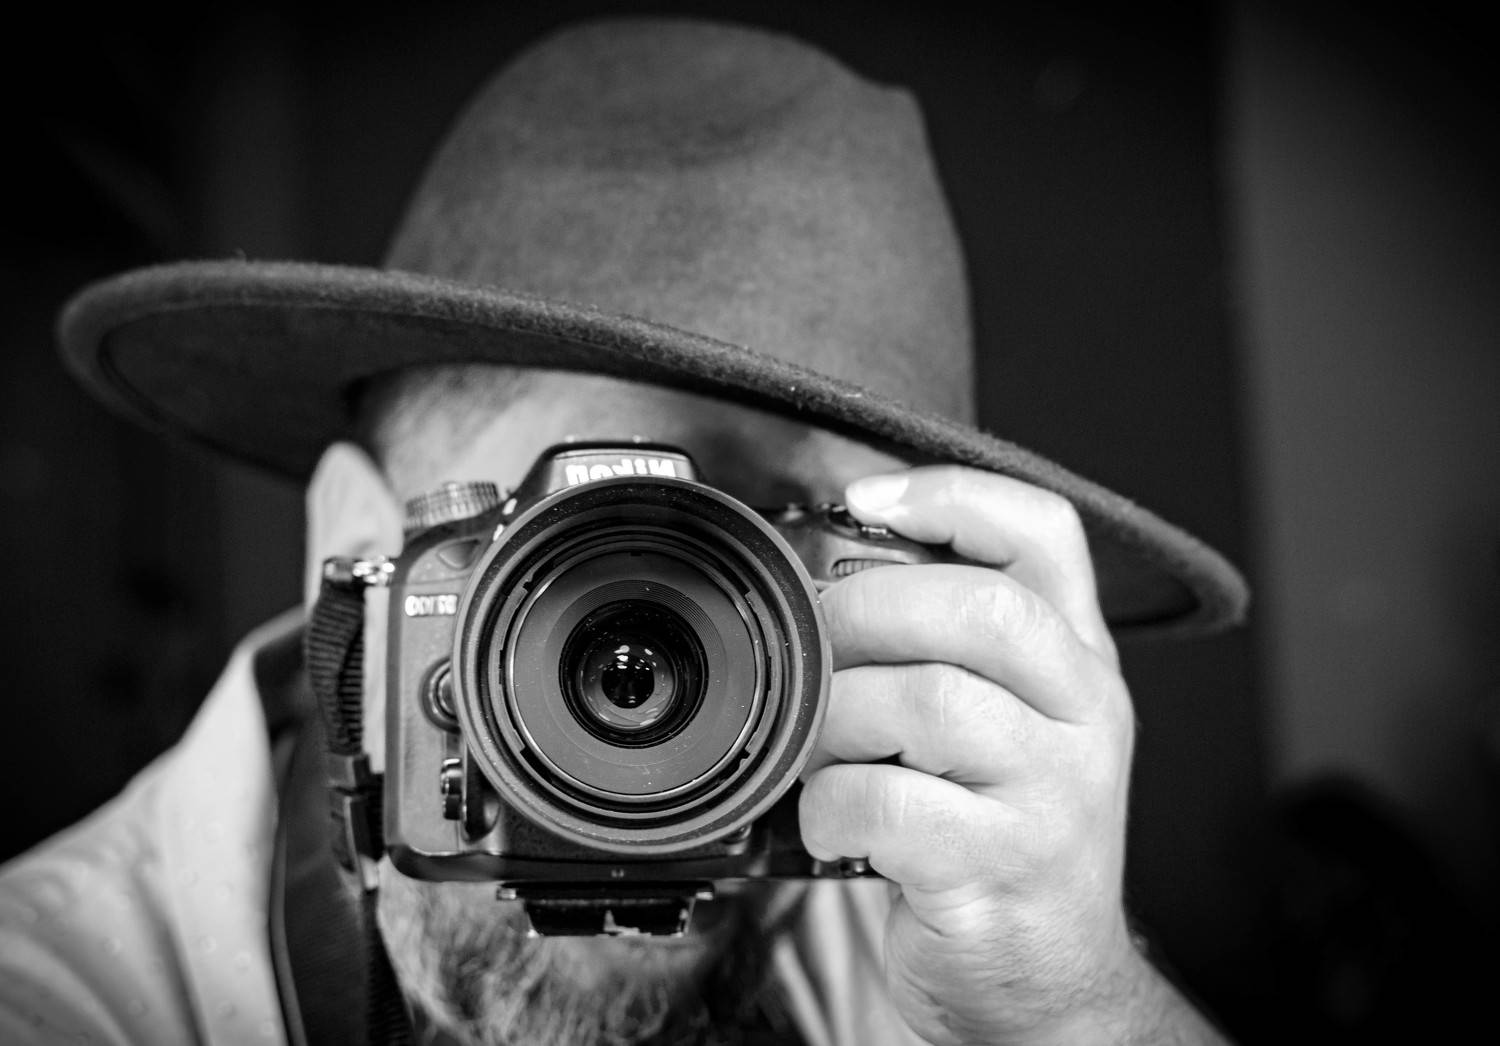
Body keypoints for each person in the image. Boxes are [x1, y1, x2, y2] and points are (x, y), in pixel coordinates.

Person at [0, 17, 1248, 1046]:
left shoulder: (902, 922)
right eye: (607, 557)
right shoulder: (54, 994)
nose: (683, 685)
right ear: (355, 545)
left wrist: (1080, 1008)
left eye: (789, 568)